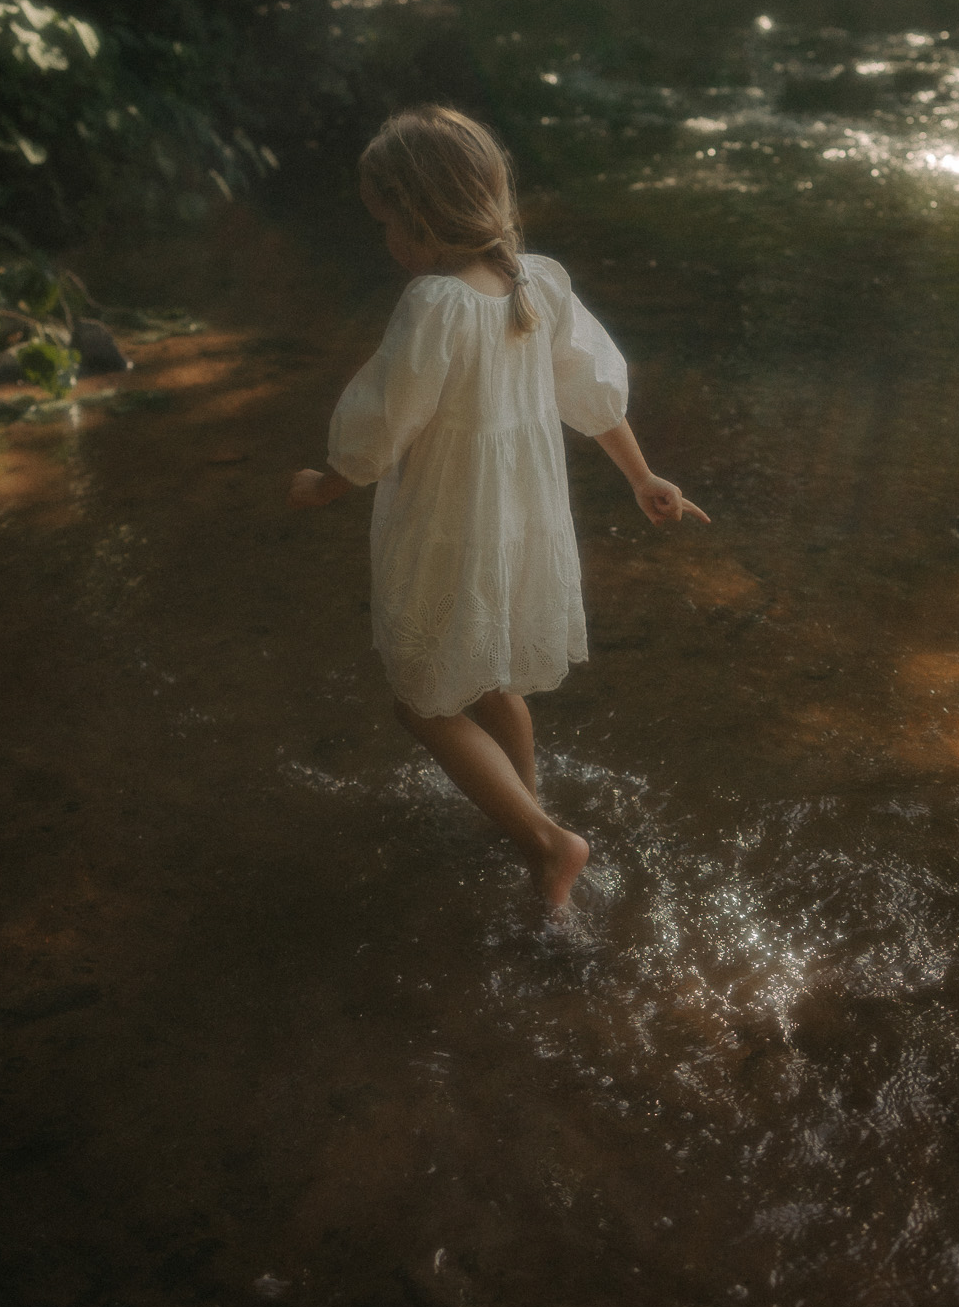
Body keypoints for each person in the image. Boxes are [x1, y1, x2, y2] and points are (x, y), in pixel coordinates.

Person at [289, 105, 708, 911]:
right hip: (521, 521)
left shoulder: (434, 305)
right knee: (491, 676)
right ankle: (524, 804)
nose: (385, 243)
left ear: (419, 219)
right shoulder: (536, 281)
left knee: (423, 700)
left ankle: (549, 843)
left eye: (386, 224)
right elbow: (588, 390)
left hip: (452, 524)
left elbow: (385, 422)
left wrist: (326, 485)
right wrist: (641, 476)